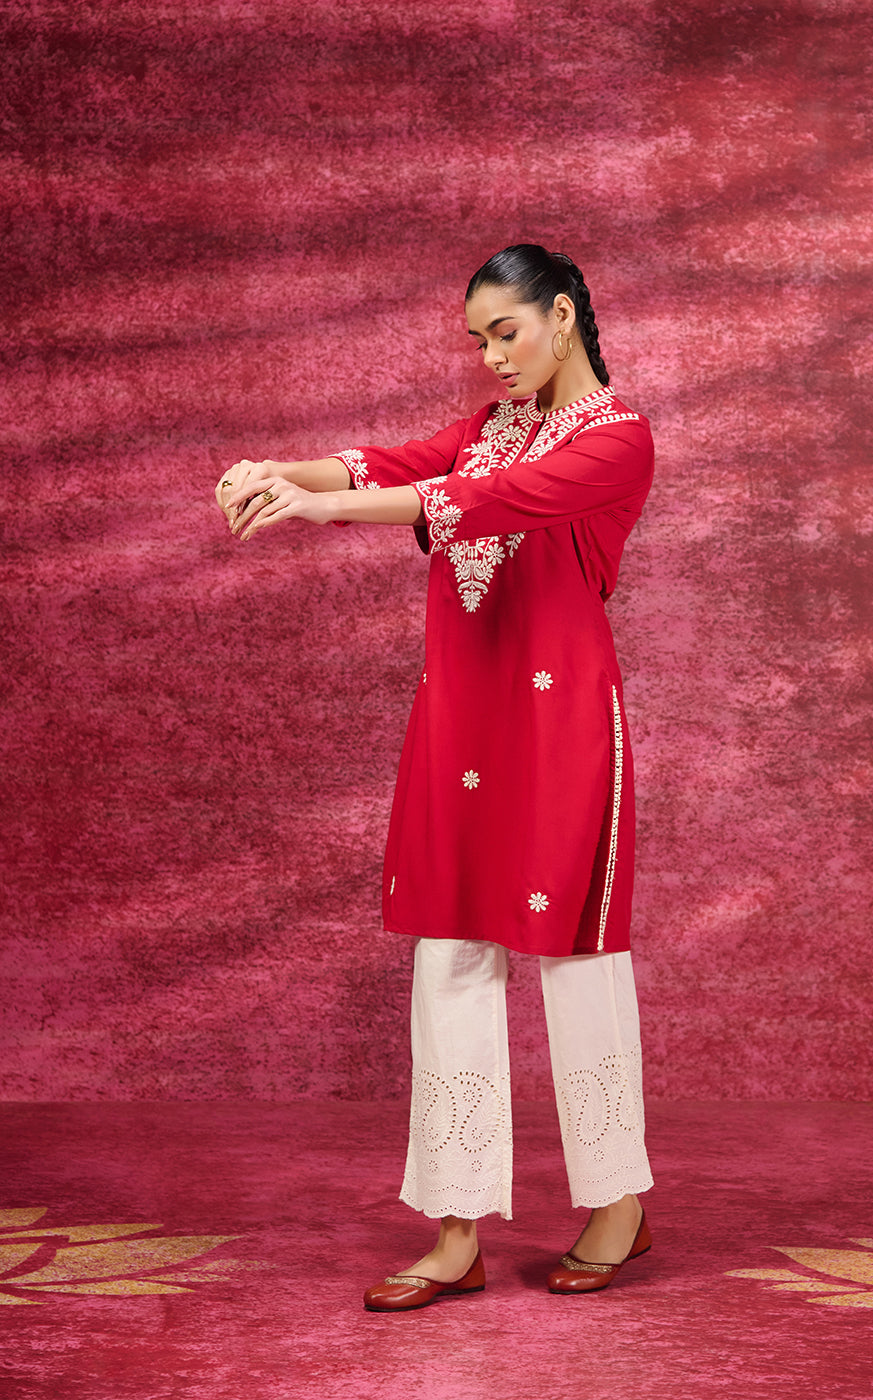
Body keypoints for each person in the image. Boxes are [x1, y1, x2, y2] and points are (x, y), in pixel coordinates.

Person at [216, 244, 655, 1311]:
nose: (492, 356)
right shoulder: (491, 426)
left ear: (562, 315)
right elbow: (384, 463)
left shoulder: (617, 440)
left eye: (506, 331)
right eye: (478, 339)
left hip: (557, 725)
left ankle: (617, 1202)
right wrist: (278, 471)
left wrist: (319, 512)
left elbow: (471, 502)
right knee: (449, 951)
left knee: (573, 953)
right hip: (462, 721)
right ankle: (454, 1229)